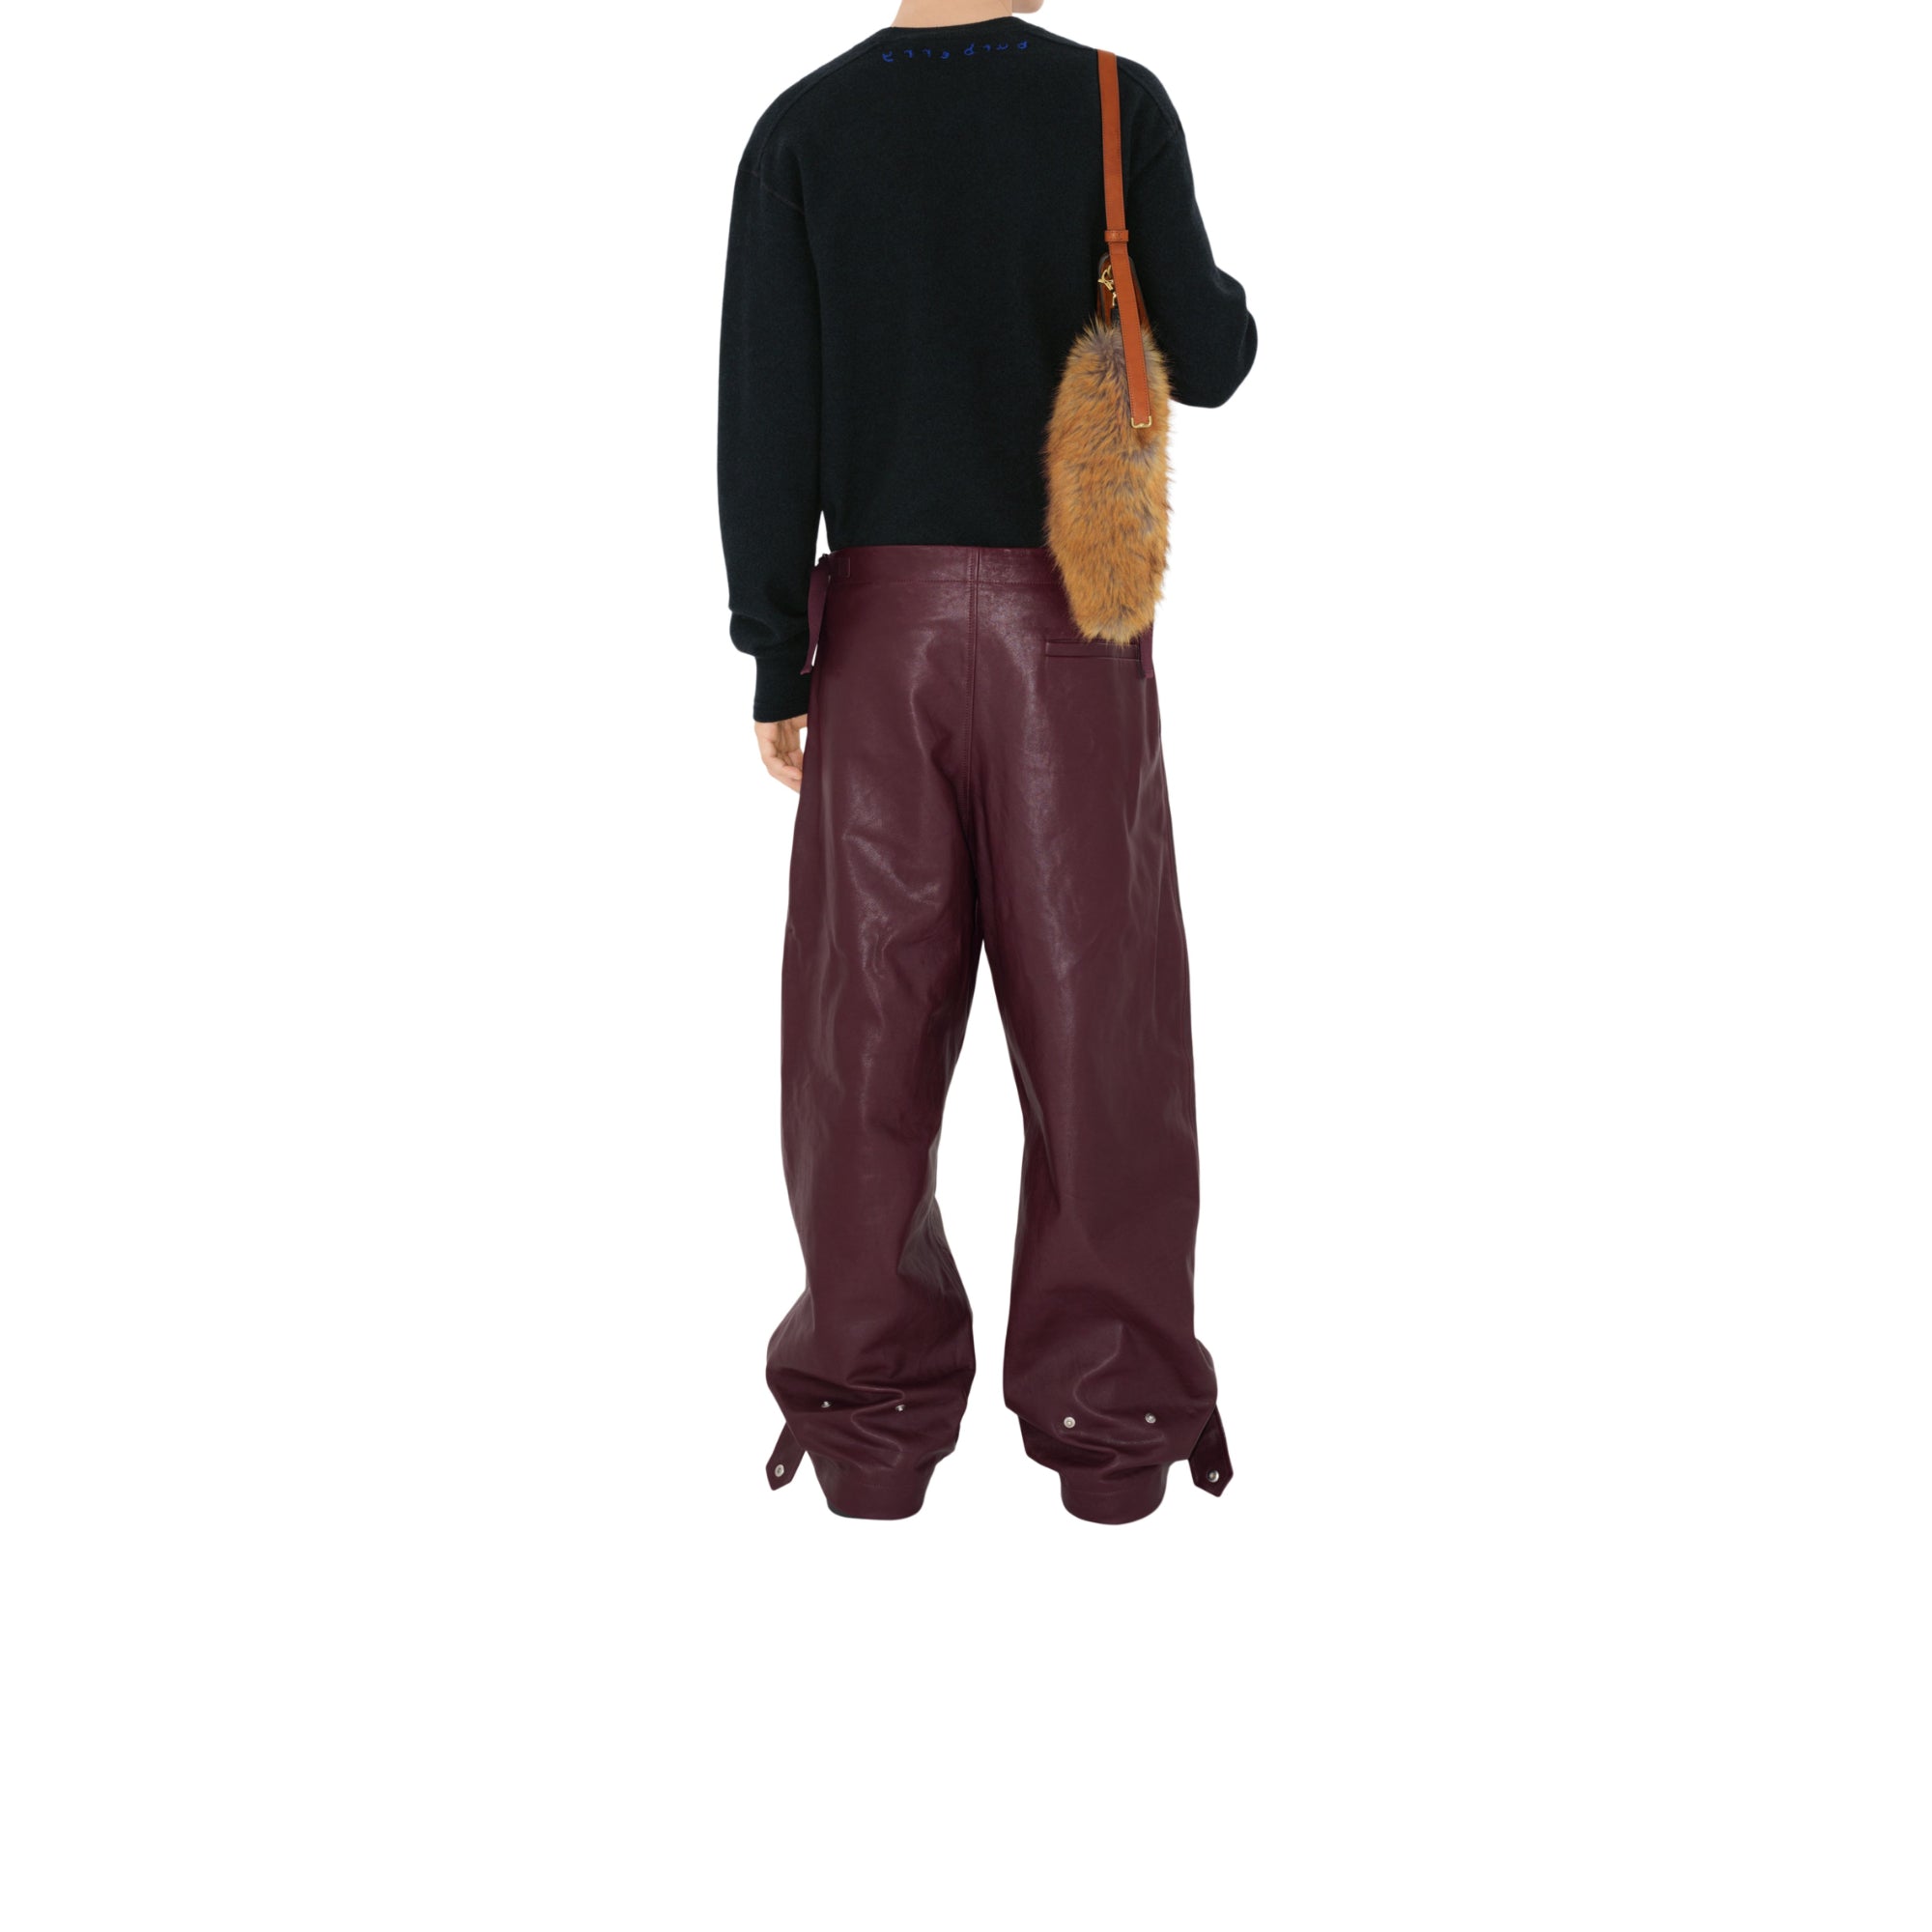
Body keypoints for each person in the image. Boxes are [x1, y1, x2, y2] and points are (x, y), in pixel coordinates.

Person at [717, 1, 1257, 1523]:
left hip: (877, 645)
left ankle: (867, 1433)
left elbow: (767, 414)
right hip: (1068, 632)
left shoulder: (804, 130)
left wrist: (777, 653)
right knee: (1102, 1036)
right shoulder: (1112, 102)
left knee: (863, 1045)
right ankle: (1115, 1430)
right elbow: (1211, 359)